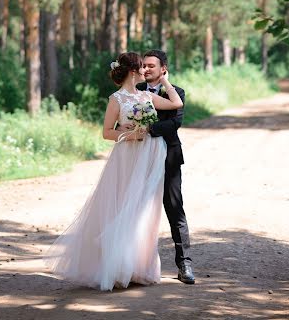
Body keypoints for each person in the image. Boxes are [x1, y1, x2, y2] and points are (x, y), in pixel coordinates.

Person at [46, 51, 183, 291]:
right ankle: (116, 267)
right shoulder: (116, 99)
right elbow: (106, 131)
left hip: (149, 158)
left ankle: (137, 267)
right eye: (142, 67)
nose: (145, 71)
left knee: (143, 211)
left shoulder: (146, 96)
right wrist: (127, 133)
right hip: (127, 157)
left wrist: (164, 81)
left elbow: (176, 103)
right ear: (133, 71)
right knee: (122, 206)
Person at [136, 49, 195, 284]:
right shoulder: (133, 92)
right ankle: (136, 265)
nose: (147, 69)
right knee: (136, 208)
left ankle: (185, 264)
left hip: (169, 157)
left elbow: (175, 123)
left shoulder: (176, 93)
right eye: (144, 65)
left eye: (151, 65)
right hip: (138, 158)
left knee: (174, 207)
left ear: (163, 69)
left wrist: (149, 129)